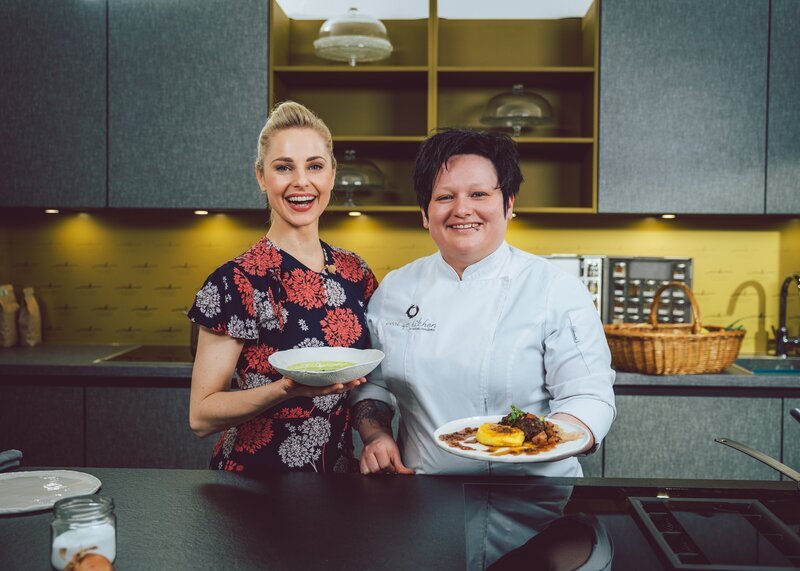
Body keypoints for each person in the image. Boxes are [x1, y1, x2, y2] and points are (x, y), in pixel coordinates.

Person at [352, 128, 616, 476]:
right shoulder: (396, 289)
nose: (462, 209)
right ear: (424, 212)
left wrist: (538, 442)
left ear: (508, 205)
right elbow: (374, 384)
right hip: (422, 499)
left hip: (533, 504)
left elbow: (589, 397)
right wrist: (377, 436)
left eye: (478, 194)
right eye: (445, 197)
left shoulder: (555, 289)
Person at [188, 101, 378, 473]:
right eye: (283, 168)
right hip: (251, 485)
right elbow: (201, 416)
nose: (301, 182)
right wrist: (285, 390)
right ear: (261, 177)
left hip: (337, 481)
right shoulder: (236, 281)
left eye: (315, 166)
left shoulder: (356, 273)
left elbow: (366, 385)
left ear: (332, 175)